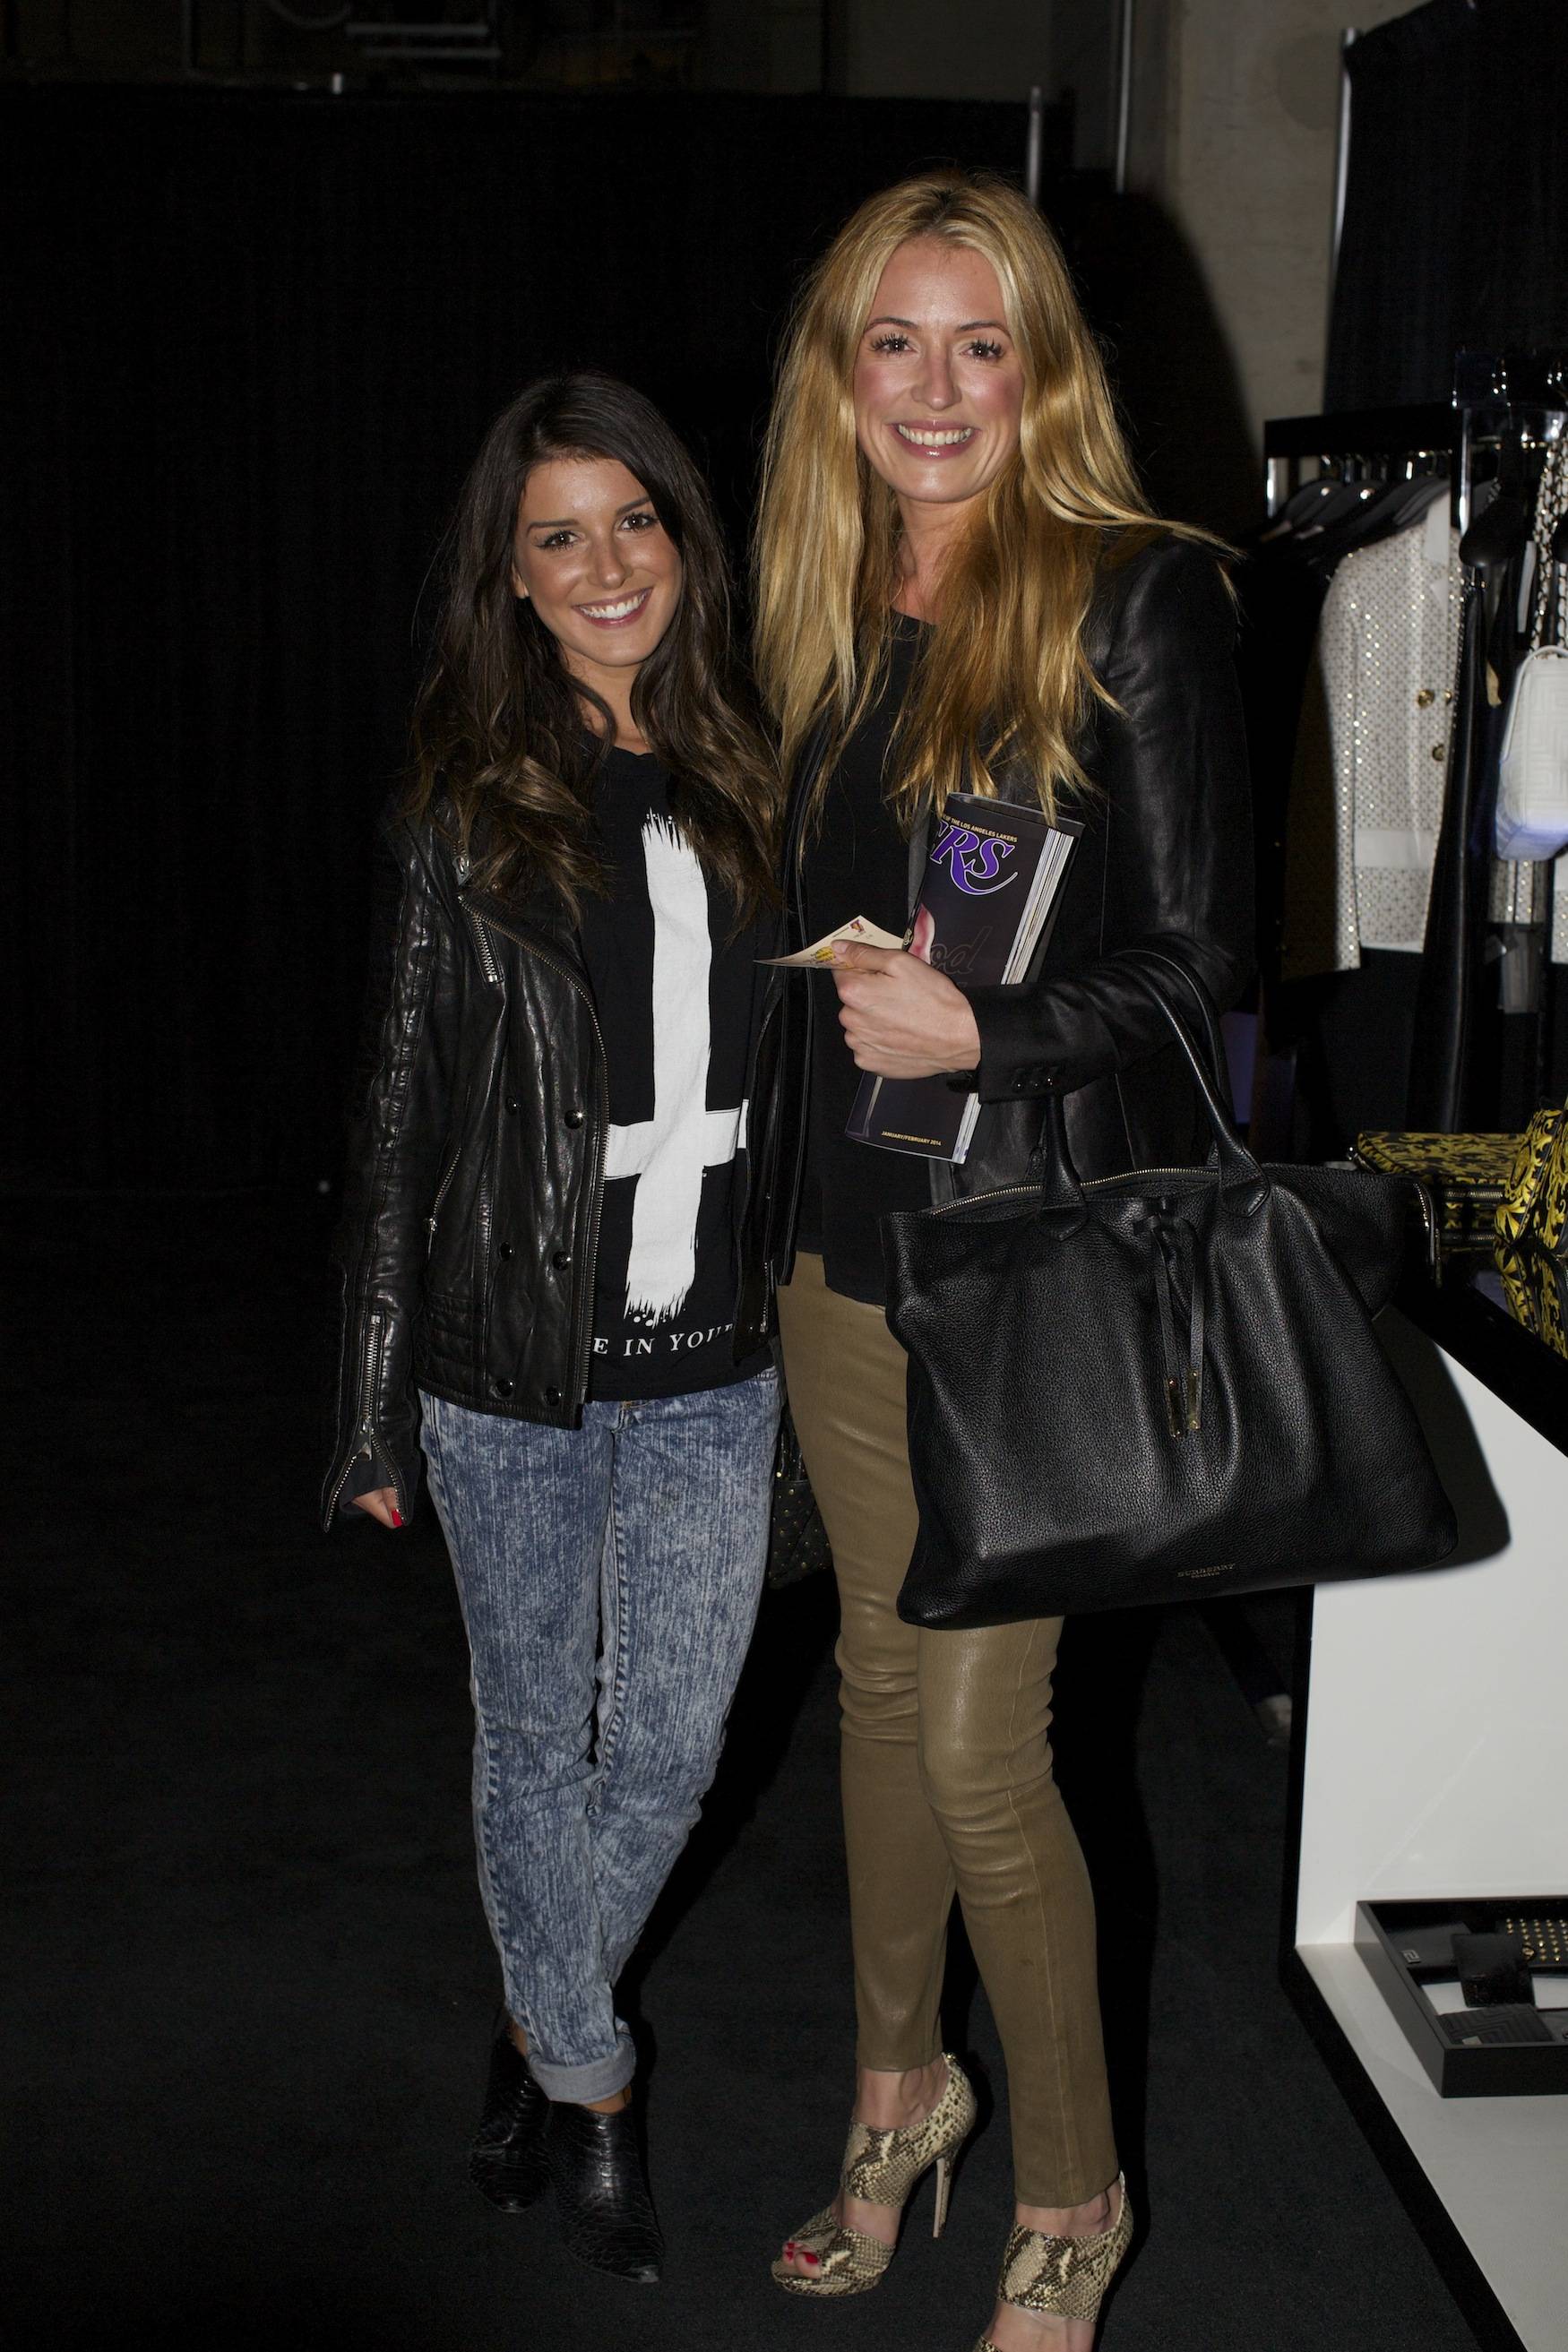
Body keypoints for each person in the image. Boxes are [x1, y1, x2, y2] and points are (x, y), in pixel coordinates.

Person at [747, 170, 1252, 2349]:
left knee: (978, 1748)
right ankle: (896, 2092)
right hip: (838, 1251)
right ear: (838, 372)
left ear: (1041, 369)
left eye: (981, 343)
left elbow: (1204, 963)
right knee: (874, 1686)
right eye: (895, 342)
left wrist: (993, 1029)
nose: (935, 389)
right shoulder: (807, 596)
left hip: (1028, 1261)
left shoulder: (1134, 595)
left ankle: (1071, 2190)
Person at [322, 372, 783, 2285]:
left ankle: (531, 2026)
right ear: (509, 577)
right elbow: (398, 1111)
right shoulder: (464, 804)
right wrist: (368, 1407)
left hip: (717, 1364)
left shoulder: (762, 774)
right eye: (557, 536)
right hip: (510, 1367)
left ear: (684, 536)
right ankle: (592, 2082)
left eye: (633, 520)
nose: (605, 566)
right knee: (534, 1742)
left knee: (666, 1749)